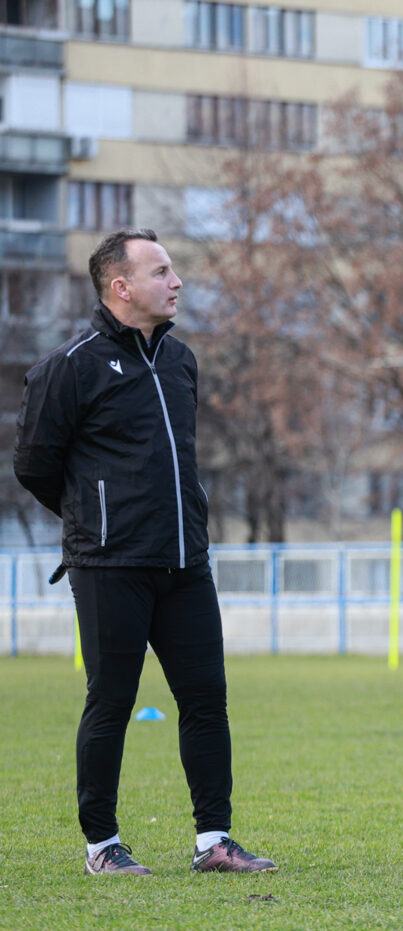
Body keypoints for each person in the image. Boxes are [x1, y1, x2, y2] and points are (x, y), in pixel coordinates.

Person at [12, 228, 276, 876]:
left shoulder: (182, 361)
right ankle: (102, 846)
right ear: (121, 287)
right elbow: (34, 466)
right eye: (161, 271)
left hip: (185, 563)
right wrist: (95, 522)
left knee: (206, 698)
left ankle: (213, 840)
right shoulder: (68, 366)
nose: (176, 281)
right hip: (110, 568)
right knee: (111, 702)